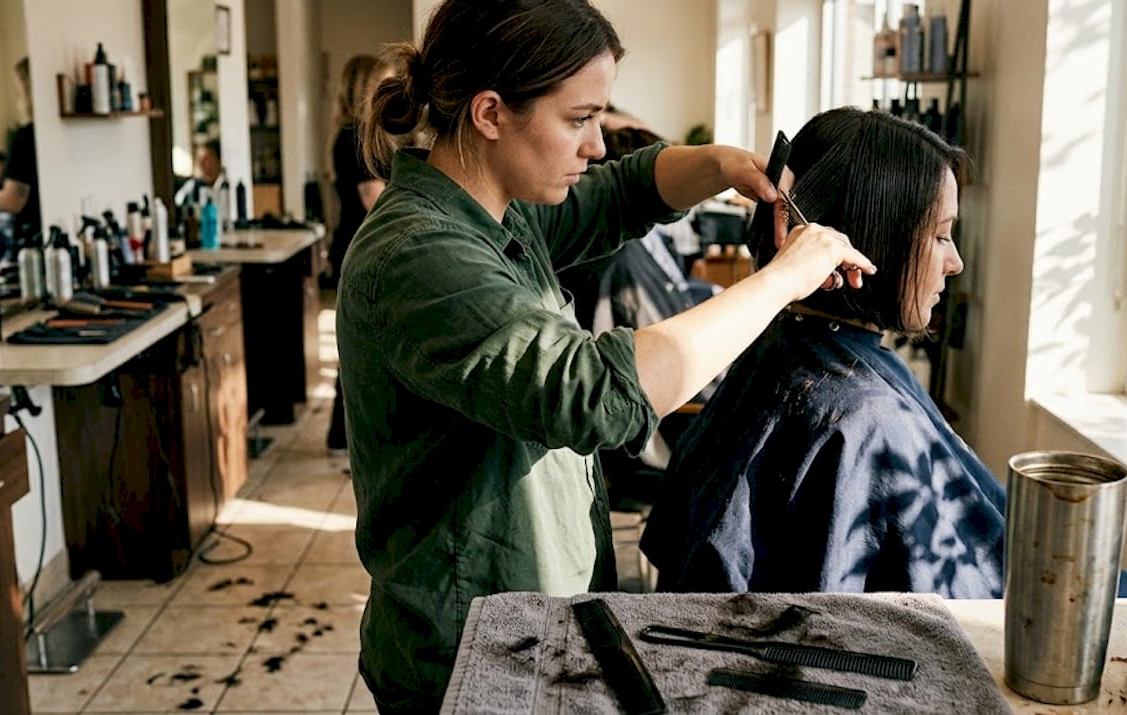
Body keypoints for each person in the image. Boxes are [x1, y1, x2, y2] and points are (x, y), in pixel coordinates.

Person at [334, 1, 876, 710]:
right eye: (578, 118)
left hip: (534, 618)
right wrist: (782, 281)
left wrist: (718, 165)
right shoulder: (420, 255)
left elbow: (618, 193)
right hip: (468, 652)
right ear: (491, 113)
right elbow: (597, 394)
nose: (595, 145)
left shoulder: (497, 207)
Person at [640, 107, 1127, 600]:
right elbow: (966, 592)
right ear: (874, 242)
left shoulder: (781, 345)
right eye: (940, 236)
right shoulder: (863, 410)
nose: (953, 262)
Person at [325, 54, 389, 452]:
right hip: (357, 245)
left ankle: (339, 433)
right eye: (382, 84)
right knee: (361, 345)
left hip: (351, 242)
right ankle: (340, 433)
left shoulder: (357, 134)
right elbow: (373, 199)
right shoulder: (354, 137)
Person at [0, 58, 40, 261]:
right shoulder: (47, 134)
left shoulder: (25, 137)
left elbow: (13, 201)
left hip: (31, 245)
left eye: (19, 90)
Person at [173, 139, 225, 208]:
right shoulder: (193, 185)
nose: (201, 163)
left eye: (207, 158)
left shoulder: (225, 183)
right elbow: (178, 201)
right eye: (200, 158)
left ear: (219, 160)